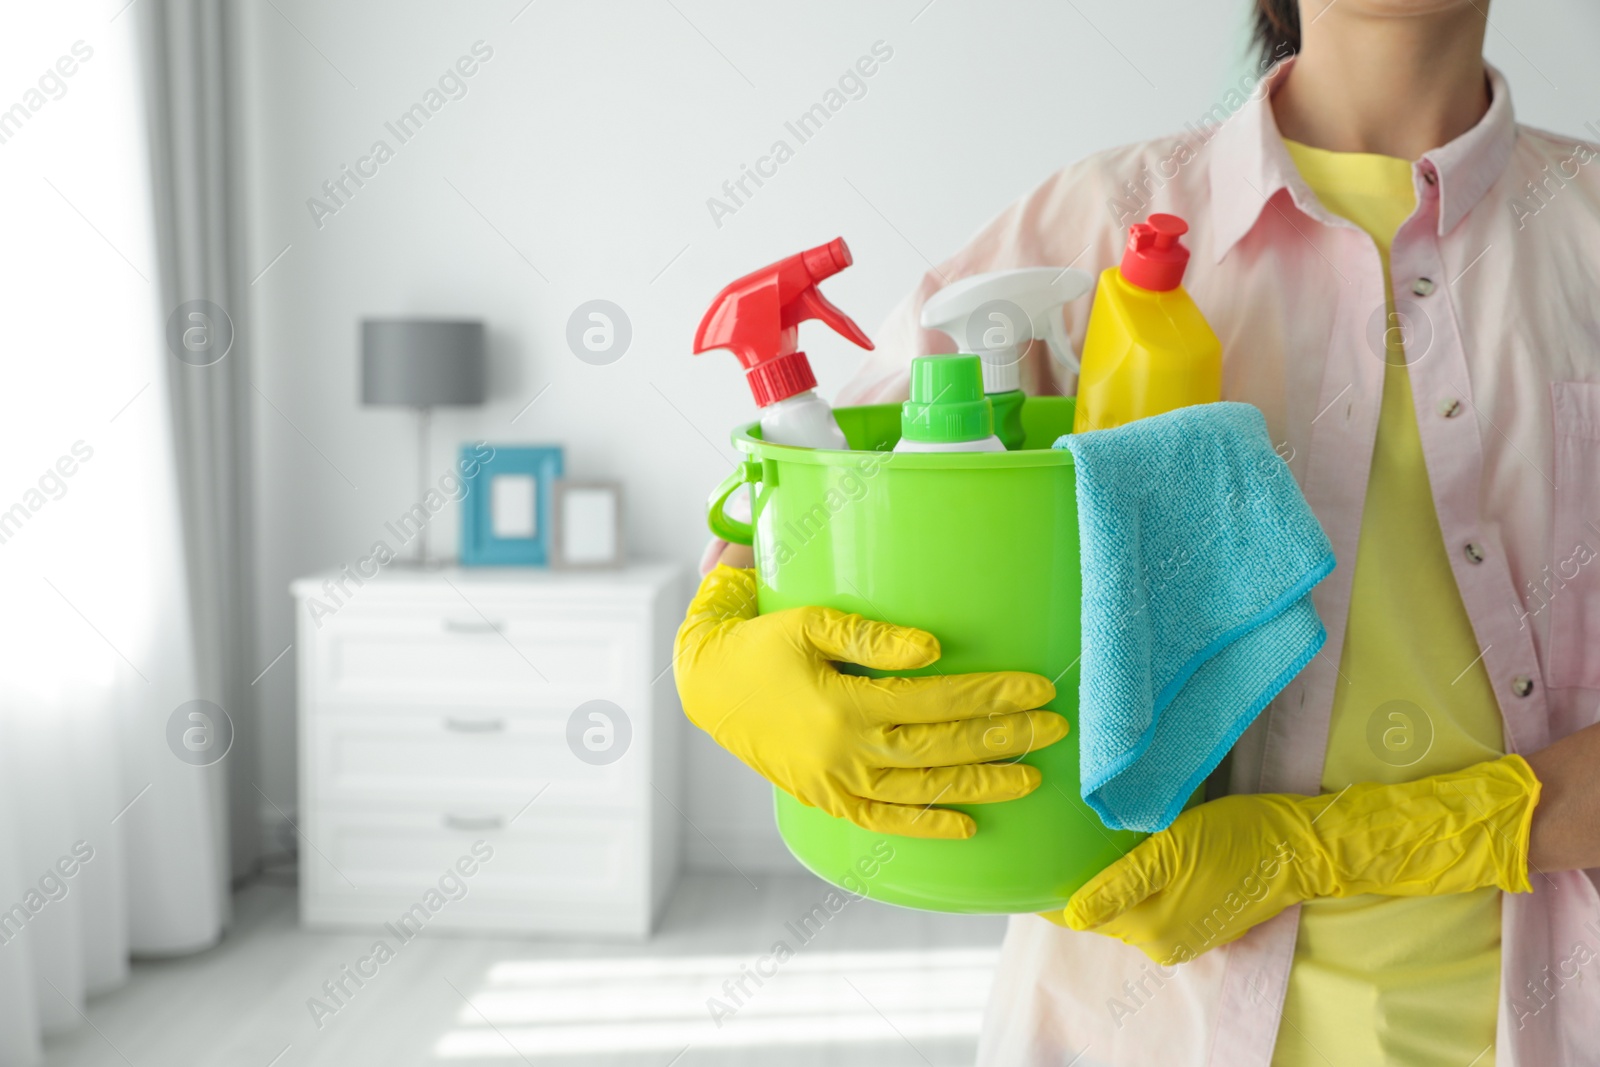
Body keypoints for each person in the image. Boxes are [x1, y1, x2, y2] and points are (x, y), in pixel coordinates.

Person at [673, 0, 1600, 1062]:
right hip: (1142, 1019)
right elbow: (823, 494)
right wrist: (719, 645)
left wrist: (1335, 848)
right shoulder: (1082, 231)